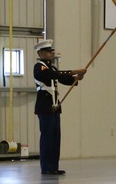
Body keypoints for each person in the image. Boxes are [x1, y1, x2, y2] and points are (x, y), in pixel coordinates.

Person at [33, 40, 85, 175]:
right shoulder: (39, 67)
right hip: (45, 107)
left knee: (55, 138)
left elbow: (64, 79)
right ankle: (46, 167)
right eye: (48, 51)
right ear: (40, 53)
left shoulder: (53, 68)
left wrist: (77, 77)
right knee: (47, 138)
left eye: (52, 51)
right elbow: (52, 76)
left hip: (55, 107)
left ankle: (54, 166)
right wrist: (73, 71)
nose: (51, 53)